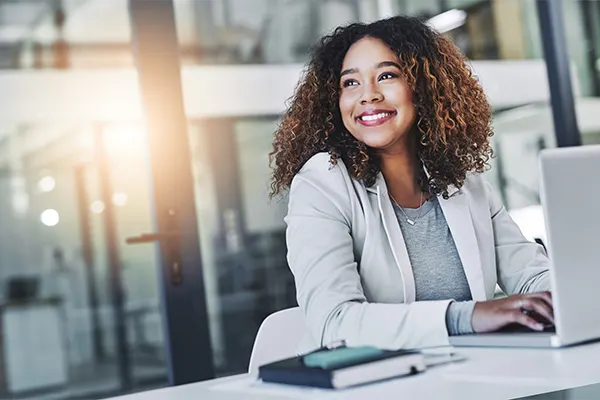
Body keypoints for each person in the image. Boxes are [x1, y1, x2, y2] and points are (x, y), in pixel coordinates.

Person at [269, 16, 553, 352]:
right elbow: (334, 322)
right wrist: (468, 317)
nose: (368, 95)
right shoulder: (322, 183)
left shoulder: (463, 181)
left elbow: (531, 275)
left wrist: (564, 295)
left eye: (386, 76)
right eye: (350, 83)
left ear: (423, 87)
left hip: (474, 376)